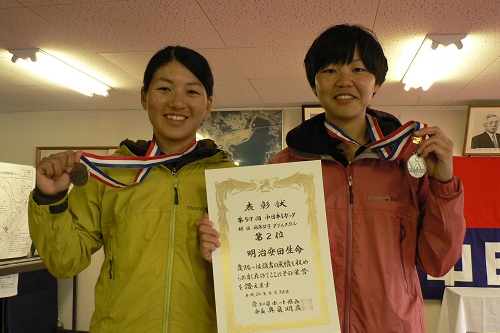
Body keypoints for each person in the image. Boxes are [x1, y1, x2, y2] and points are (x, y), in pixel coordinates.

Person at [197, 24, 466, 332]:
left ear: (376, 81)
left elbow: (439, 262)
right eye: (330, 70)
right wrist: (224, 247)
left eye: (358, 68)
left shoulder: (407, 161)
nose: (344, 81)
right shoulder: (284, 168)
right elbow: (261, 261)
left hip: (393, 324)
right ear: (315, 85)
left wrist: (444, 184)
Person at [28, 46, 235, 333]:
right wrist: (50, 198)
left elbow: (252, 279)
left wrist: (223, 258)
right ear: (144, 97)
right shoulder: (111, 173)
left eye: (192, 91)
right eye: (164, 88)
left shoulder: (231, 181)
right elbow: (64, 263)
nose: (177, 102)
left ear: (208, 104)